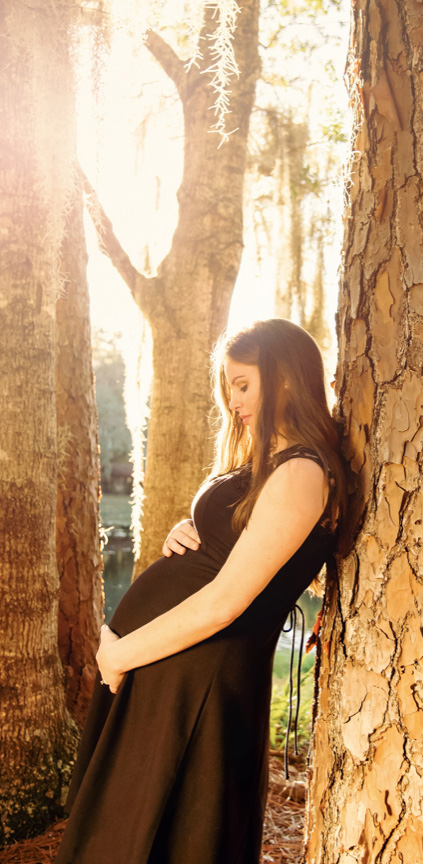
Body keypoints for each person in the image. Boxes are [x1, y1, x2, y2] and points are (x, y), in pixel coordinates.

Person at [57, 318, 348, 864]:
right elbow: (230, 555)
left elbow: (225, 604)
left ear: (284, 378)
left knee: (163, 836)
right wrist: (189, 530)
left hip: (200, 677)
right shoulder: (269, 462)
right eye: (229, 386)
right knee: (125, 830)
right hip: (174, 667)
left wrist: (119, 653)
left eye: (244, 384)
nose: (232, 399)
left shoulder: (301, 472)